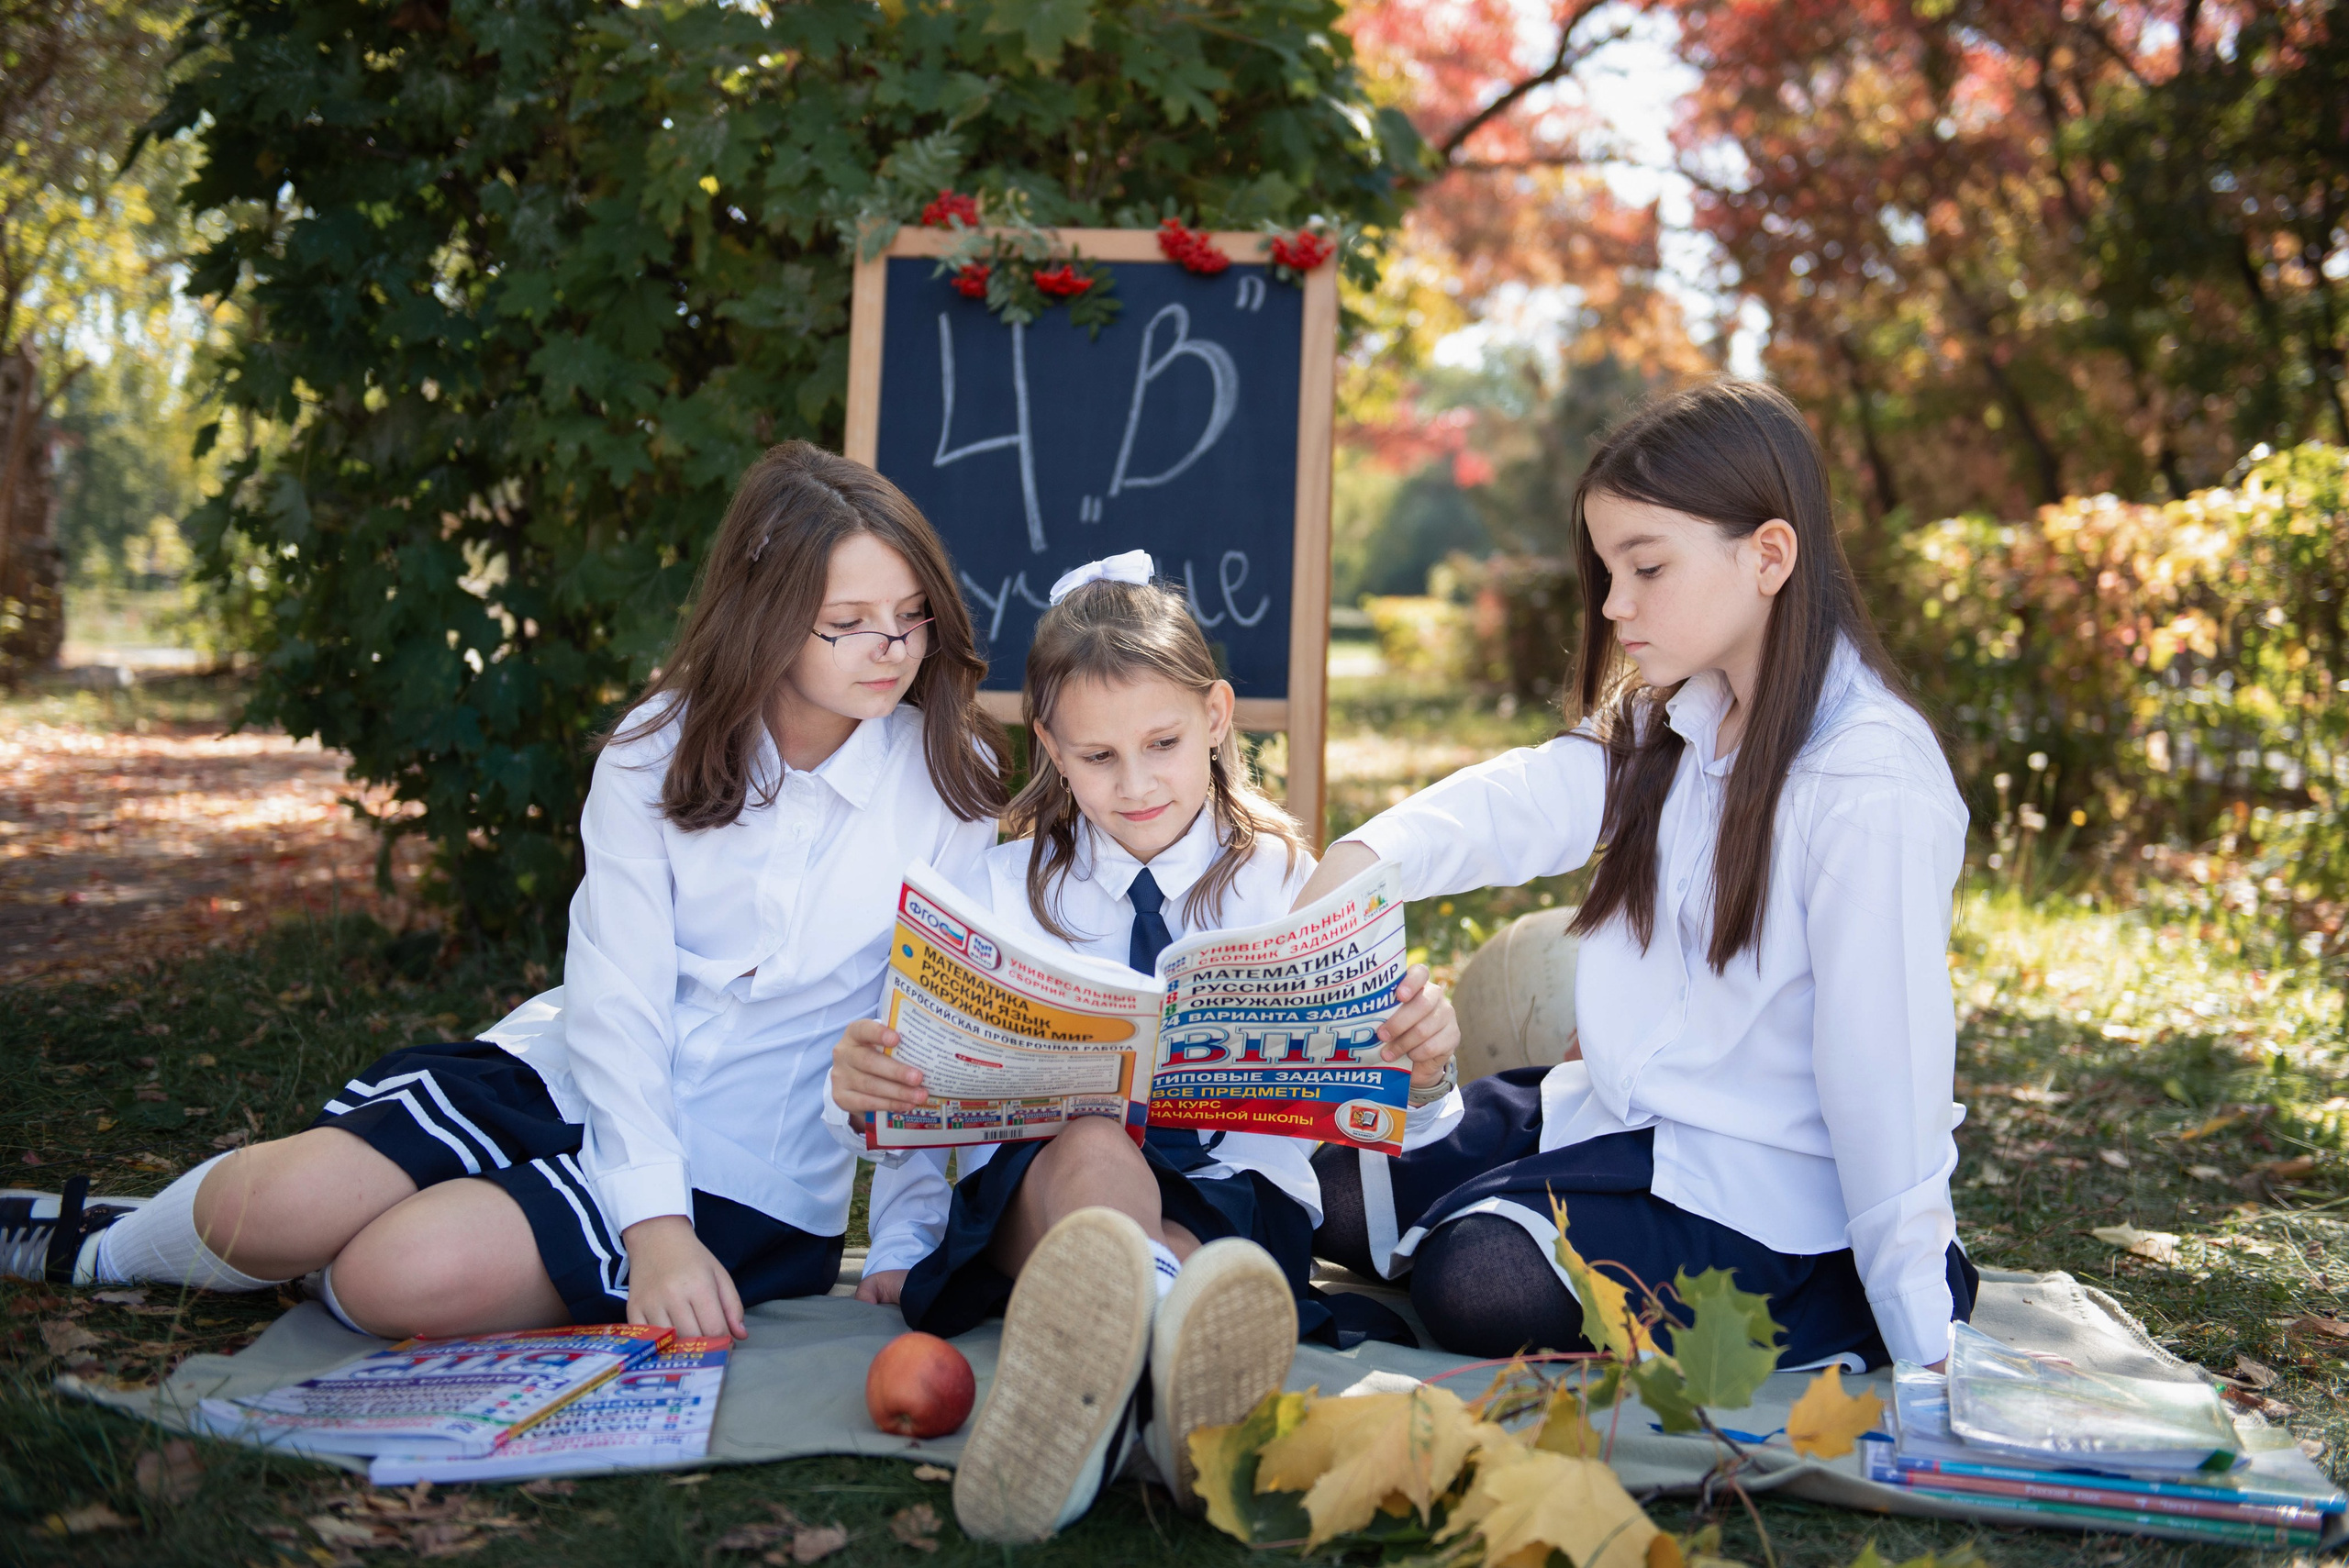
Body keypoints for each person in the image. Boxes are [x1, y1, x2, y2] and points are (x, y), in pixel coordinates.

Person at [2, 443, 1007, 1344]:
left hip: (746, 1165)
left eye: (912, 615)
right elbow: (616, 1000)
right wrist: (645, 1230)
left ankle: (364, 1246)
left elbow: (923, 1042)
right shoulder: (656, 749)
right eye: (851, 622)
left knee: (390, 1273)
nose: (895, 646)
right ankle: (95, 1247)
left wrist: (900, 1241)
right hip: (566, 1068)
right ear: (768, 615)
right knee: (272, 1204)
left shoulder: (949, 774)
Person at [1303, 380, 1979, 1373]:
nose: (1615, 603)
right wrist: (1368, 858)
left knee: (1474, 1277)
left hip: (1762, 1205)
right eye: (1608, 568)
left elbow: (1888, 1080)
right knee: (1313, 1186)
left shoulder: (1869, 782)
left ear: (1769, 555)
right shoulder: (1678, 714)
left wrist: (1923, 1336)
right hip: (1613, 1126)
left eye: (1646, 565)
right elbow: (1534, 795)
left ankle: (1831, 1302)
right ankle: (1494, 1206)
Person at [826, 552, 1464, 1542]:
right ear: (1047, 743)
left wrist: (1420, 1069)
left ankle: (1122, 1379)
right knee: (1094, 1148)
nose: (1134, 785)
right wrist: (902, 1231)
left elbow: (1380, 1113)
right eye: (1096, 756)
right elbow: (923, 1087)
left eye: (1162, 742)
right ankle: (1172, 1367)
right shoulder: (996, 889)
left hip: (1236, 1203)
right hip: (1049, 1198)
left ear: (1216, 717)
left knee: (1188, 1242)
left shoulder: (1291, 885)